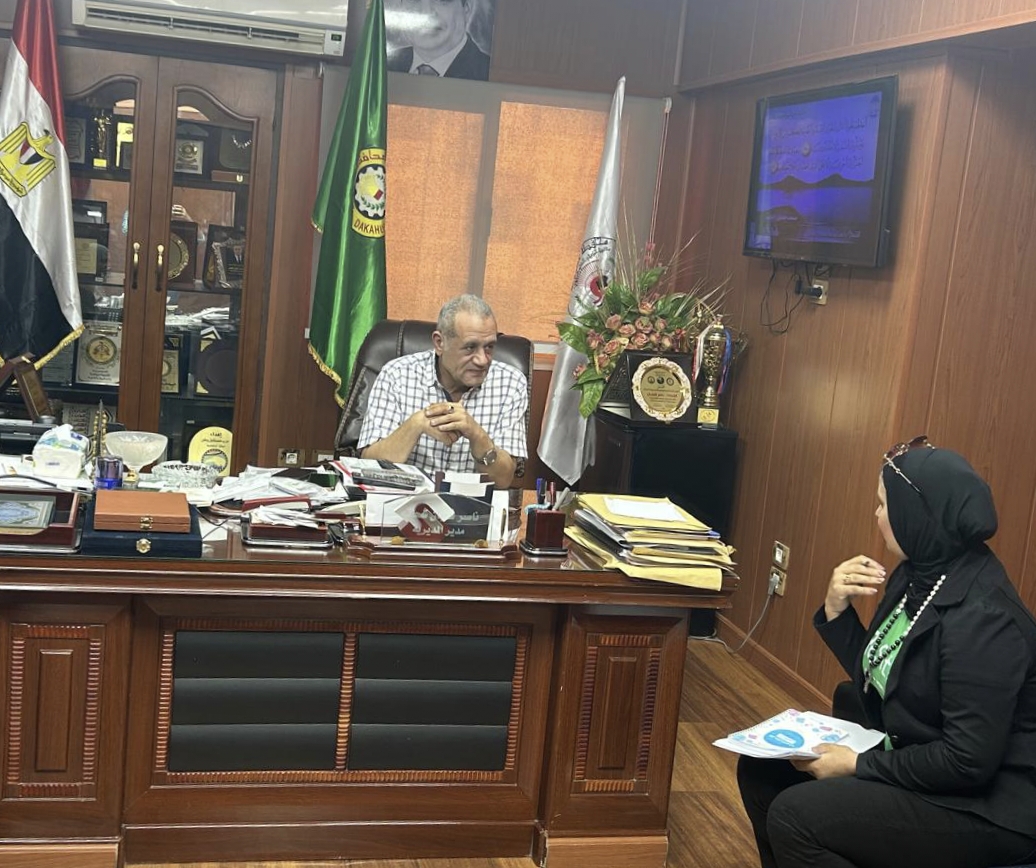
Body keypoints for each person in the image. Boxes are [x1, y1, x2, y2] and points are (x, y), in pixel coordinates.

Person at [737, 438, 1036, 868]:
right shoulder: (918, 574)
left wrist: (859, 765)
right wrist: (837, 611)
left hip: (987, 808)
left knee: (796, 818)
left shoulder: (985, 620)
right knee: (762, 771)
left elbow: (967, 762)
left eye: (882, 505)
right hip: (924, 761)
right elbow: (888, 675)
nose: (876, 515)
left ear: (917, 515)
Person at [357, 294, 527, 488]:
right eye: (470, 347)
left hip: (472, 503)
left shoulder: (511, 383)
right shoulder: (397, 375)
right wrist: (416, 424)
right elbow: (370, 467)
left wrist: (477, 435)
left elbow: (503, 480)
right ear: (439, 343)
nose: (482, 360)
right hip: (405, 500)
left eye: (489, 347)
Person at [385, 0, 490, 80]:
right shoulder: (382, 66)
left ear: (466, 9)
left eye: (441, 1)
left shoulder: (488, 73)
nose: (426, 12)